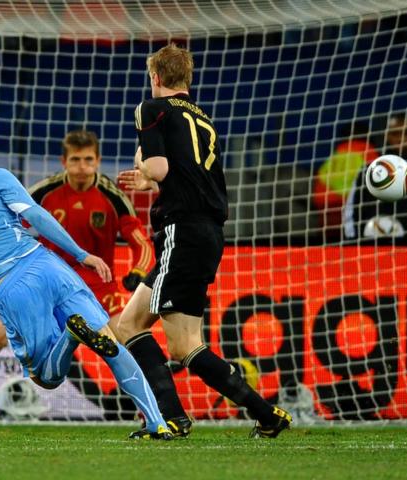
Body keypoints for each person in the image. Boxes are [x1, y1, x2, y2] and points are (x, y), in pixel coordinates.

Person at [0, 127, 172, 439]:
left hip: (10, 287)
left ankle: (71, 336)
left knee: (46, 378)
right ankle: (157, 422)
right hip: (51, 267)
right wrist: (81, 255)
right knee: (112, 344)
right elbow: (37, 216)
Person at [115, 43, 292, 439]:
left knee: (183, 346)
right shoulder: (203, 118)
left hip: (183, 232)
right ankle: (179, 416)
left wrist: (144, 166)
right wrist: (151, 180)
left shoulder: (151, 108)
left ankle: (260, 414)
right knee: (128, 325)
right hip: (202, 232)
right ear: (187, 79)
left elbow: (159, 167)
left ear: (155, 77)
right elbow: (184, 175)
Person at [343, 113, 407, 243]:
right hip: (370, 243)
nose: (401, 138)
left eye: (406, 133)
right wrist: (352, 239)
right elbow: (351, 208)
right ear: (387, 136)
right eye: (395, 134)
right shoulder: (369, 170)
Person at [312, 121, 379, 242]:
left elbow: (319, 187)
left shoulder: (335, 156)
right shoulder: (368, 153)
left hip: (326, 214)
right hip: (351, 213)